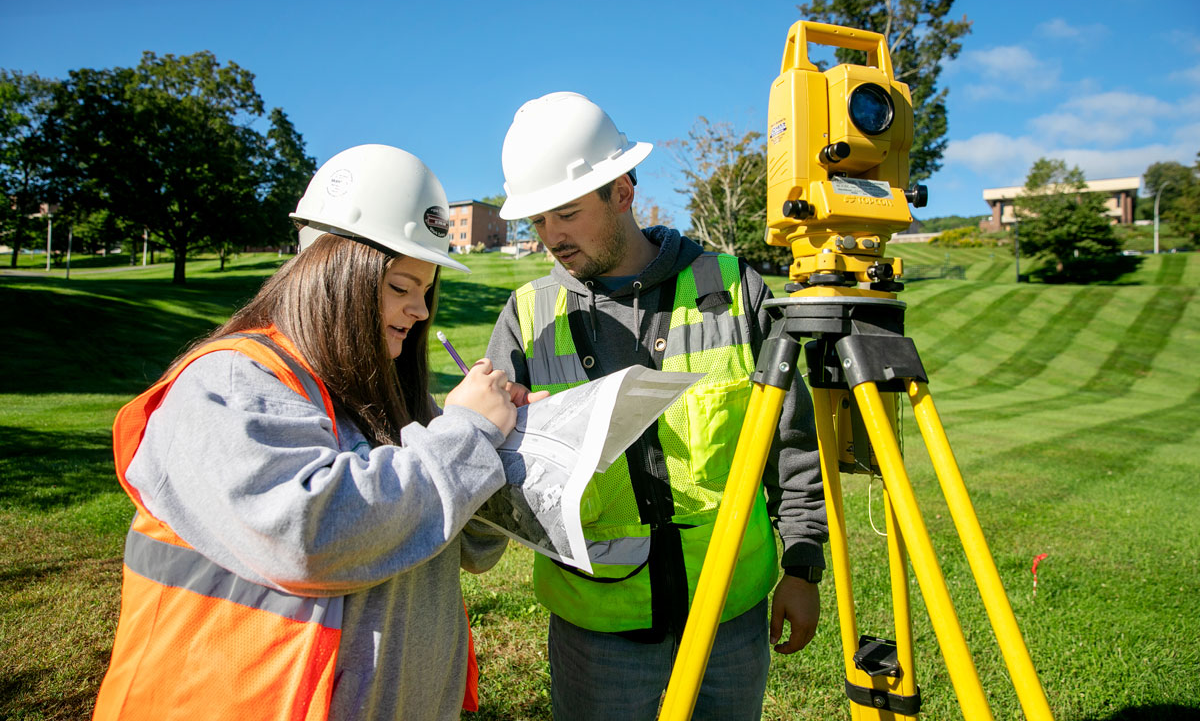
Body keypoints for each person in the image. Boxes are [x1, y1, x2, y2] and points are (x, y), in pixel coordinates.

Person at [93, 144, 528, 721]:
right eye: (400, 287)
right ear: (334, 274)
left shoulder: (392, 394)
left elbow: (470, 546)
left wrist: (509, 444)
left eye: (425, 291)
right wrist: (469, 434)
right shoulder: (230, 381)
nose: (420, 311)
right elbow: (308, 538)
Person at [486, 92, 829, 720]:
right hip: (598, 626)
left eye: (565, 213)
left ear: (622, 192)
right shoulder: (528, 317)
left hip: (730, 608)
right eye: (537, 222)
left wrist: (803, 566)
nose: (551, 238)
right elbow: (494, 464)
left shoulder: (732, 289)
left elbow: (792, 441)